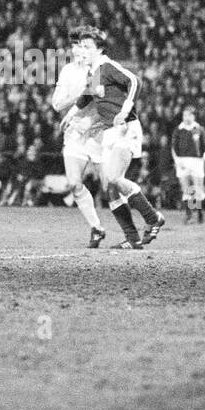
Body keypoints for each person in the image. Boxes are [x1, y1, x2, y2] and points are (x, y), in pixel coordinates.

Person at [67, 25, 164, 249]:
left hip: (125, 128)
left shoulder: (107, 66)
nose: (82, 50)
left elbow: (135, 81)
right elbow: (87, 98)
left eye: (87, 47)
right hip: (109, 132)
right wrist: (72, 115)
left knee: (113, 177)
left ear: (99, 49)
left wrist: (125, 108)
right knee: (110, 186)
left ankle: (153, 218)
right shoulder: (94, 72)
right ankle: (133, 238)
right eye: (81, 46)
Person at [51, 34, 108, 247]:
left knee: (110, 185)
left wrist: (89, 98)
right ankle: (96, 228)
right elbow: (57, 104)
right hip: (75, 133)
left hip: (99, 132)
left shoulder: (99, 66)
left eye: (82, 46)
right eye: (74, 45)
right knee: (74, 183)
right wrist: (81, 97)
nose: (77, 50)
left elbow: (105, 100)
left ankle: (137, 227)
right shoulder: (67, 71)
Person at [171, 106, 205, 223]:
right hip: (182, 161)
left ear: (194, 116)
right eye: (185, 115)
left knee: (197, 189)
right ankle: (189, 214)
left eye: (189, 115)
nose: (186, 118)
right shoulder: (178, 130)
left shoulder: (199, 129)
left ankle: (199, 213)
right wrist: (177, 161)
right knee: (187, 189)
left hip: (196, 161)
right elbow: (174, 147)